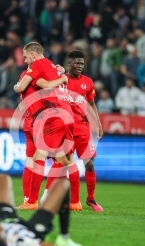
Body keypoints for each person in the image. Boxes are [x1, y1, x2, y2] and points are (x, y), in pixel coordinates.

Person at [15, 42, 78, 211]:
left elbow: (26, 87)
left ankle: (33, 200)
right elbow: (49, 84)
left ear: (33, 55)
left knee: (37, 158)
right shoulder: (52, 68)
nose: (25, 59)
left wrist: (17, 88)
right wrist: (62, 75)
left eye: (26, 56)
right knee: (63, 159)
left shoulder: (36, 67)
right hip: (66, 115)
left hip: (49, 118)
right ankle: (71, 201)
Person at [43, 50, 104, 212]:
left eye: (82, 64)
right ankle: (52, 197)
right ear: (68, 63)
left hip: (83, 129)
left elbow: (91, 104)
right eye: (76, 63)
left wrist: (98, 123)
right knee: (61, 164)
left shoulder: (88, 82)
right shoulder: (61, 80)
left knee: (89, 164)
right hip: (65, 130)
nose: (79, 66)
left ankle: (91, 199)